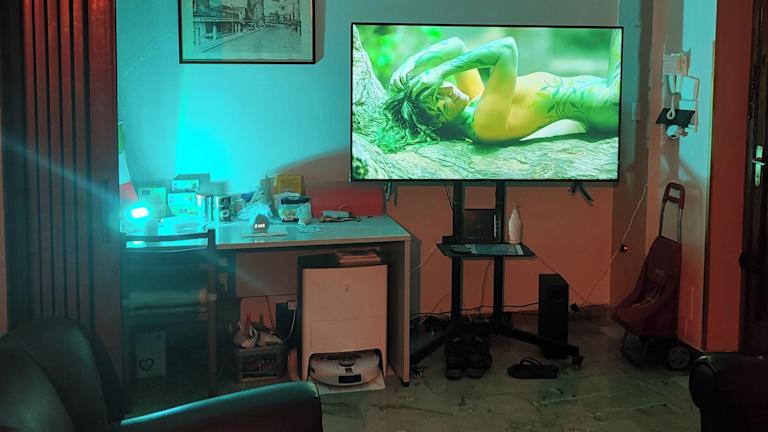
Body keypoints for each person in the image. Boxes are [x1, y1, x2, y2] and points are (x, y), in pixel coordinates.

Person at [376, 31, 621, 151]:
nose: (447, 91)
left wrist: (412, 62)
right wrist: (441, 70)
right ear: (438, 123)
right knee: (629, 23)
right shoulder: (482, 125)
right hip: (609, 104)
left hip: (598, 98)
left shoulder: (472, 104)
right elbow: (506, 48)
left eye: (439, 88)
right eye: (439, 101)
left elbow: (457, 46)